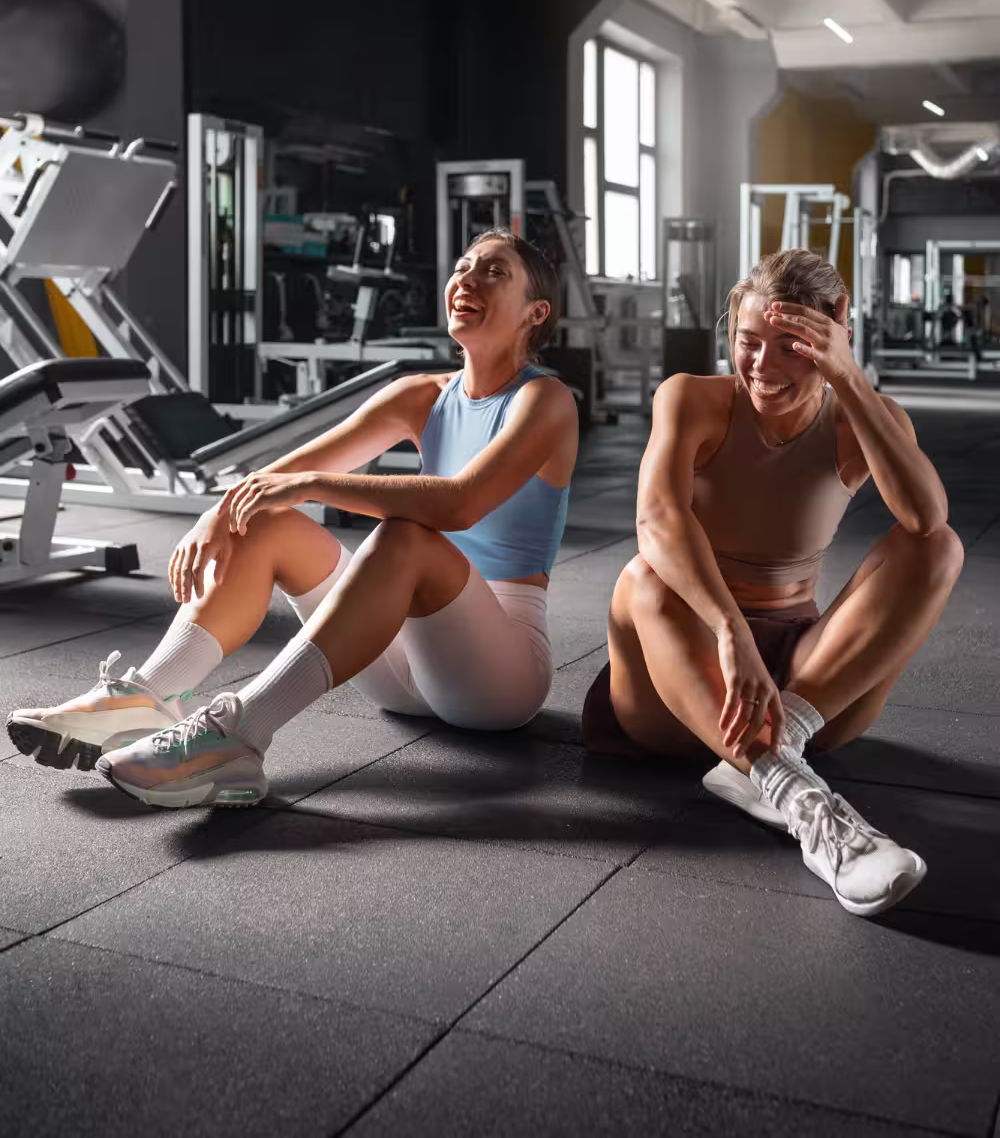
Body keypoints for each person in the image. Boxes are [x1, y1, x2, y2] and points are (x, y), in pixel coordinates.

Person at [7, 230, 578, 808]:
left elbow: (459, 503)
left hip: (497, 677)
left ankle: (240, 736)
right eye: (463, 267)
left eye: (494, 273)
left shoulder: (545, 400)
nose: (467, 280)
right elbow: (283, 475)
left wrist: (307, 486)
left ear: (535, 313)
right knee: (265, 520)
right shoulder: (420, 396)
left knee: (405, 535)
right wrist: (220, 513)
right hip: (397, 664)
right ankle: (147, 696)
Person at [583, 248, 962, 919]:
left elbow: (926, 519)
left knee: (938, 549)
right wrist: (728, 628)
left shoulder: (865, 418)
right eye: (748, 341)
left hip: (803, 686)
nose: (761, 365)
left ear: (835, 333)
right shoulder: (691, 398)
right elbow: (657, 520)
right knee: (645, 577)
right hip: (681, 683)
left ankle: (773, 752)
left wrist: (848, 377)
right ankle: (807, 806)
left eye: (791, 346)